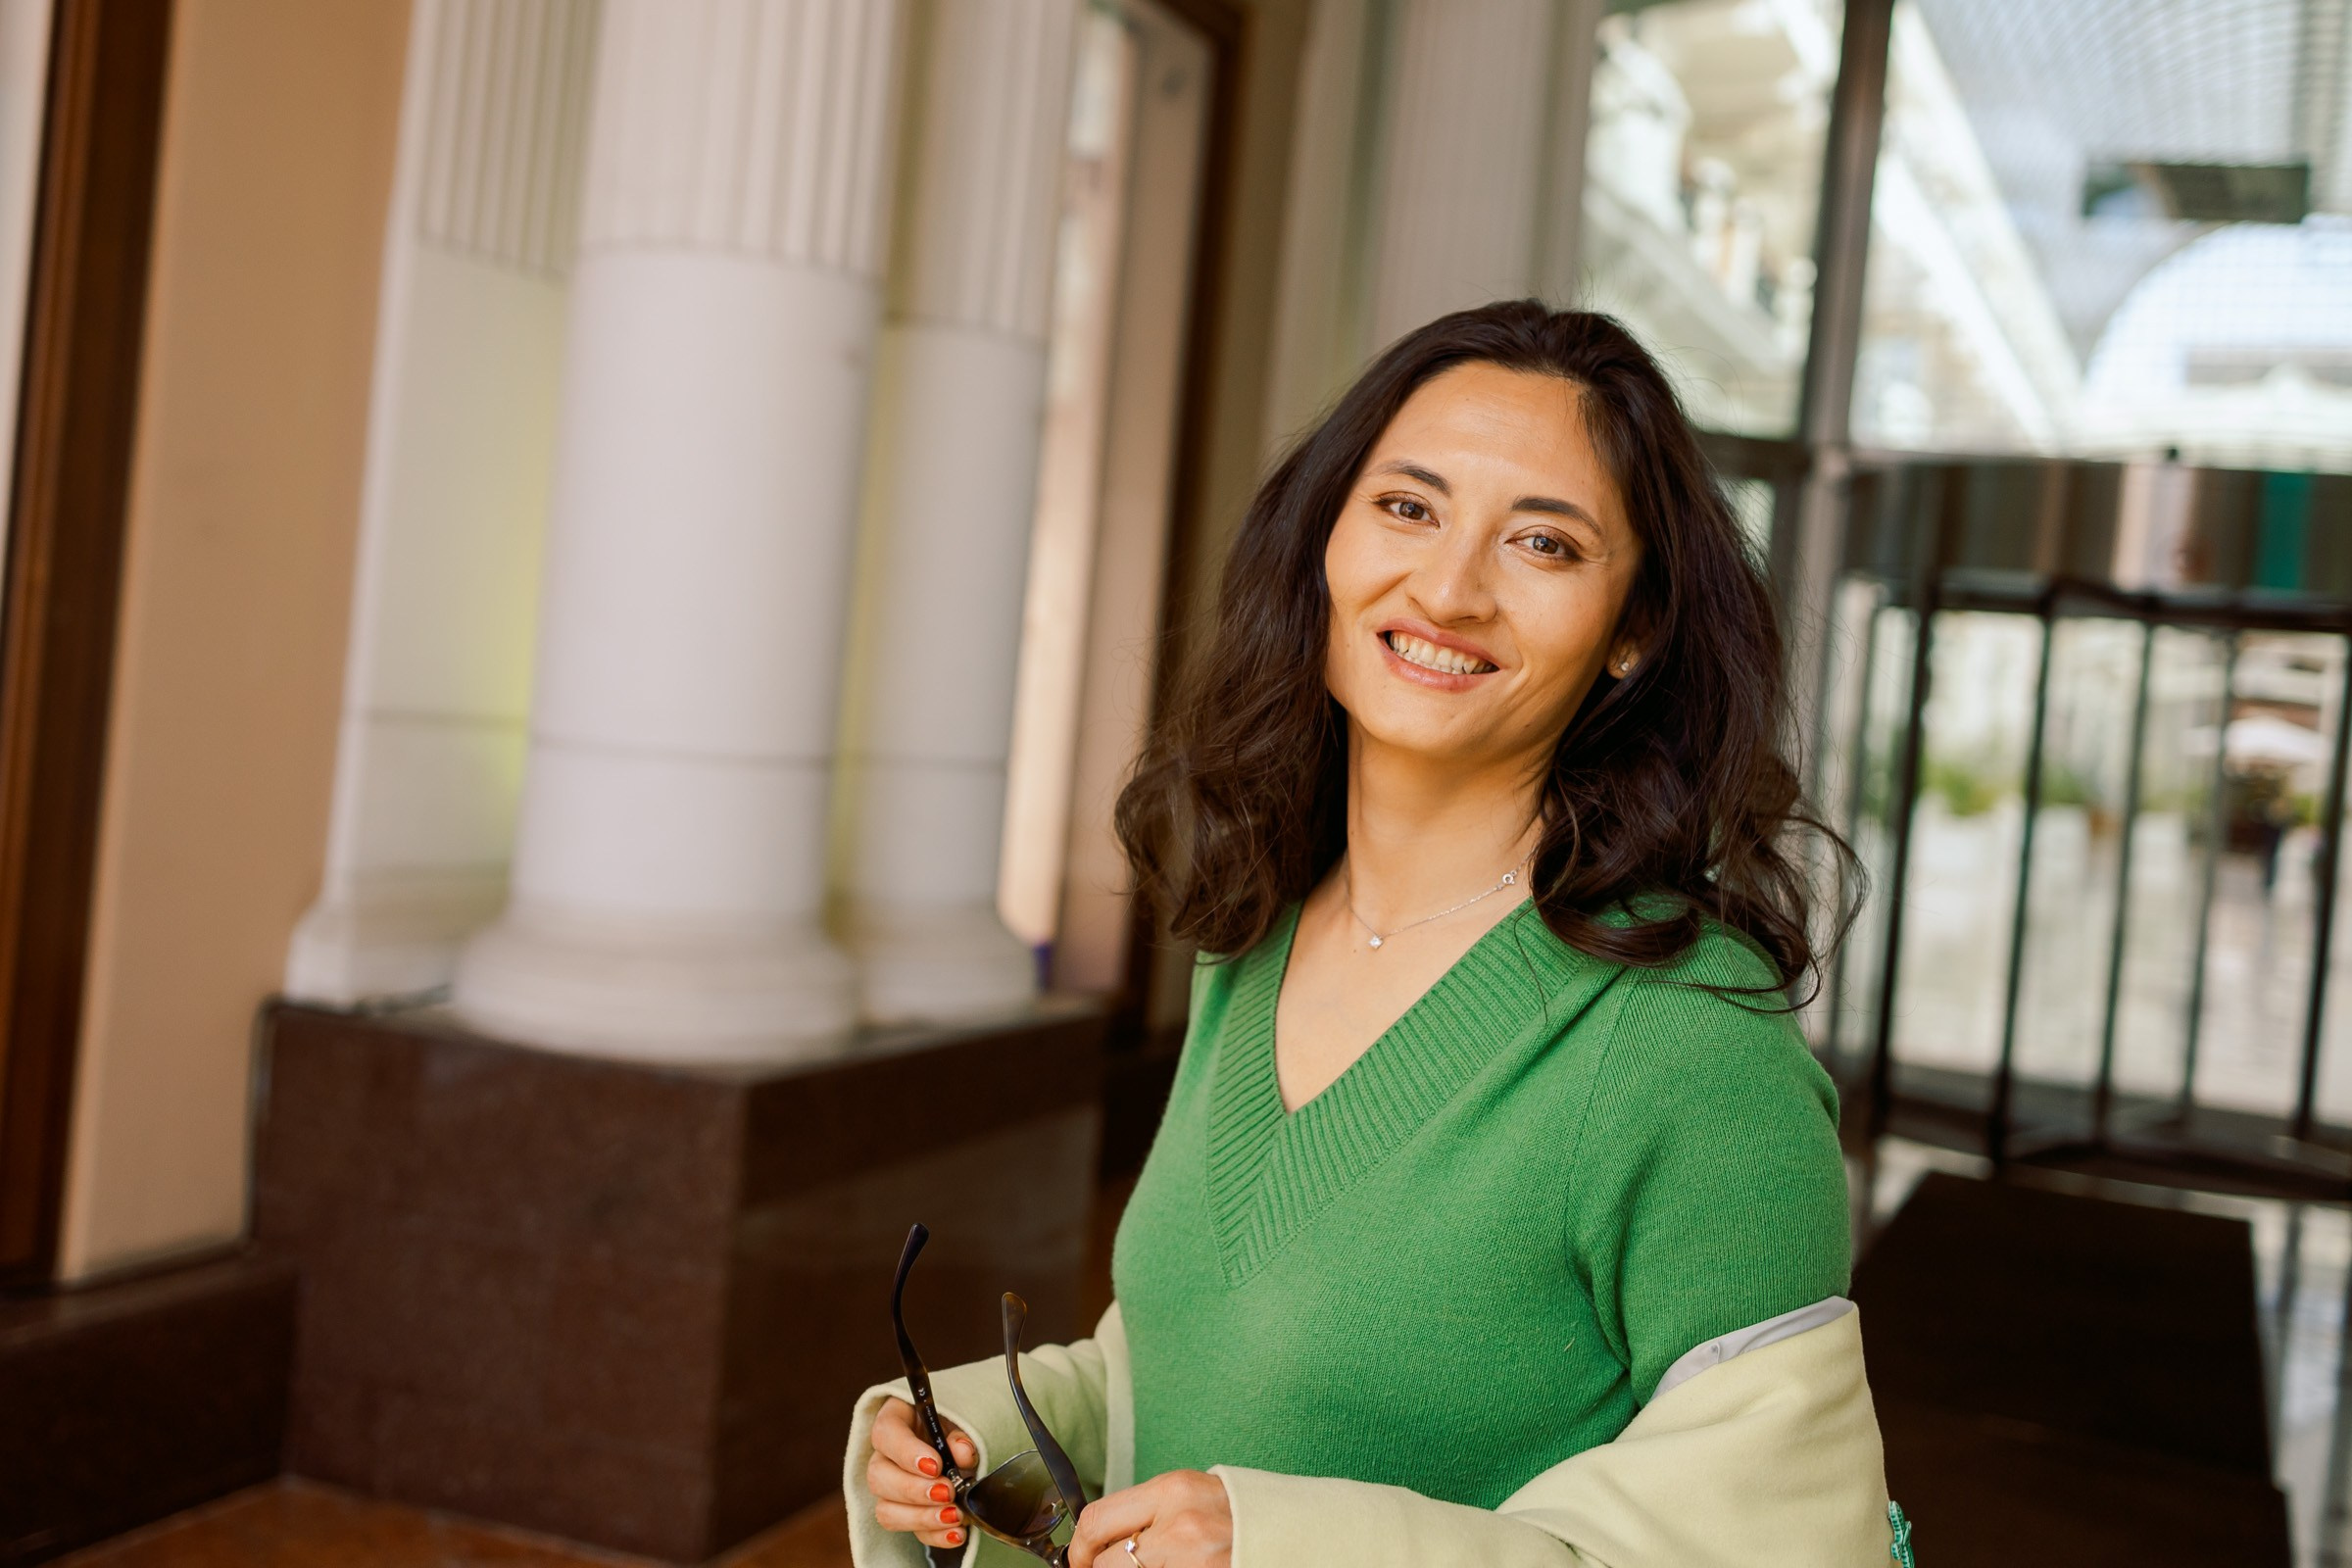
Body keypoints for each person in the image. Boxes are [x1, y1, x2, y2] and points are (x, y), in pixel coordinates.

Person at [843, 302, 1896, 1567]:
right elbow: (1199, 1368)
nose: (1448, 589)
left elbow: (1787, 1545)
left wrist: (1279, 1545)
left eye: (1545, 544)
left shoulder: (1687, 1041)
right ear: (1324, 544)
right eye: (1407, 507)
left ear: (1636, 628)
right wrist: (996, 1451)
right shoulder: (1257, 929)